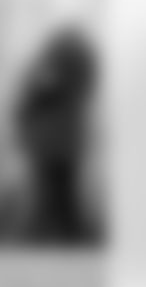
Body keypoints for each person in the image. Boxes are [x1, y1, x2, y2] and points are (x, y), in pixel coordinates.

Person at [16, 27, 97, 244]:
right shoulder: (69, 67)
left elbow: (38, 95)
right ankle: (61, 232)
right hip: (54, 142)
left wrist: (31, 102)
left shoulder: (62, 70)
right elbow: (31, 101)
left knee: (59, 193)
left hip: (56, 142)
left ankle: (65, 233)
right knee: (57, 192)